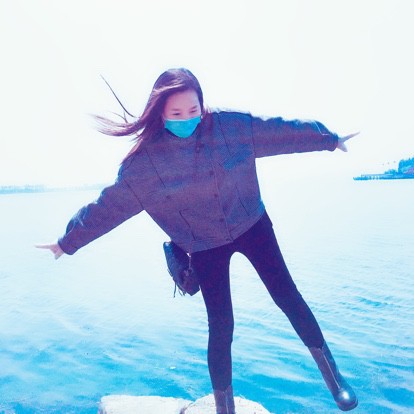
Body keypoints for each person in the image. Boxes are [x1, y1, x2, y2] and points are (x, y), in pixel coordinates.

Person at [37, 68, 359, 413]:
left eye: (193, 110)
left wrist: (327, 139)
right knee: (221, 326)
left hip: (252, 223)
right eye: (176, 113)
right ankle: (224, 408)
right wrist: (67, 242)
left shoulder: (231, 127)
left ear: (203, 105)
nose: (186, 119)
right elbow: (108, 207)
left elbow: (280, 131)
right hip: (205, 244)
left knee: (287, 296)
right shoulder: (144, 165)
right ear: (160, 113)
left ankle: (335, 379)